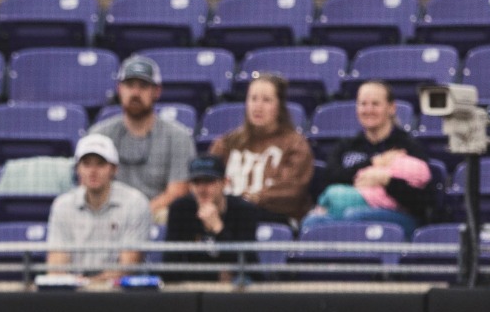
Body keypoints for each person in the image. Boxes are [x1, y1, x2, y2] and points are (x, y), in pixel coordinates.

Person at [305, 80, 432, 234]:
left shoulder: (407, 146)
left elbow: (424, 200)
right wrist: (372, 163)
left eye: (375, 104)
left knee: (355, 217)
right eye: (363, 104)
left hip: (397, 216)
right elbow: (329, 179)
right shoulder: (347, 146)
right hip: (345, 209)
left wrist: (386, 180)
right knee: (312, 222)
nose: (368, 110)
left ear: (391, 108)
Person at [91, 53, 193, 218]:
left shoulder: (178, 137)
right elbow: (88, 185)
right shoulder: (100, 135)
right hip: (107, 214)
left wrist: (137, 216)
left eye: (143, 86)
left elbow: (177, 192)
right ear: (119, 89)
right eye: (129, 85)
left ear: (157, 91)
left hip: (156, 215)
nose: (135, 93)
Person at [45, 132, 151, 282]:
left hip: (121, 294)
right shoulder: (63, 205)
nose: (93, 171)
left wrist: (87, 283)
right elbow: (56, 268)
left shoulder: (135, 203)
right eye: (86, 164)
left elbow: (127, 268)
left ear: (114, 169)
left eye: (100, 164)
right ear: (77, 169)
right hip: (73, 294)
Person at [211, 72, 314, 223]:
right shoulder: (226, 143)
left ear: (279, 106)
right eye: (253, 99)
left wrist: (256, 198)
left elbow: (292, 191)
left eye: (266, 100)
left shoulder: (295, 145)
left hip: (272, 218)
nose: (258, 107)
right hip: (225, 217)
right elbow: (207, 178)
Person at [162, 154, 280, 273]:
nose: (202, 189)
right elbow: (169, 264)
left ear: (225, 182)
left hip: (235, 288)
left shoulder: (244, 210)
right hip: (192, 286)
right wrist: (215, 276)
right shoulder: (180, 210)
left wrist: (218, 228)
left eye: (209, 182)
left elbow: (248, 266)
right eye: (196, 183)